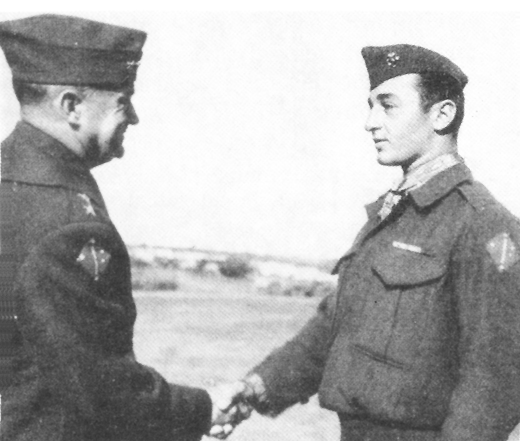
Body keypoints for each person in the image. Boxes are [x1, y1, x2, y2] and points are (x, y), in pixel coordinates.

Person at [213, 44, 520, 440]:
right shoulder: (391, 216)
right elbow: (336, 326)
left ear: (442, 115)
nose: (370, 122)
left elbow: (495, 378)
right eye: (370, 105)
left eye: (388, 106)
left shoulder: (484, 226)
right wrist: (254, 388)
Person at [0, 14, 243, 441]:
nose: (133, 116)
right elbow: (104, 391)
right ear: (71, 106)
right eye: (122, 100)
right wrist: (201, 410)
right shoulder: (67, 226)